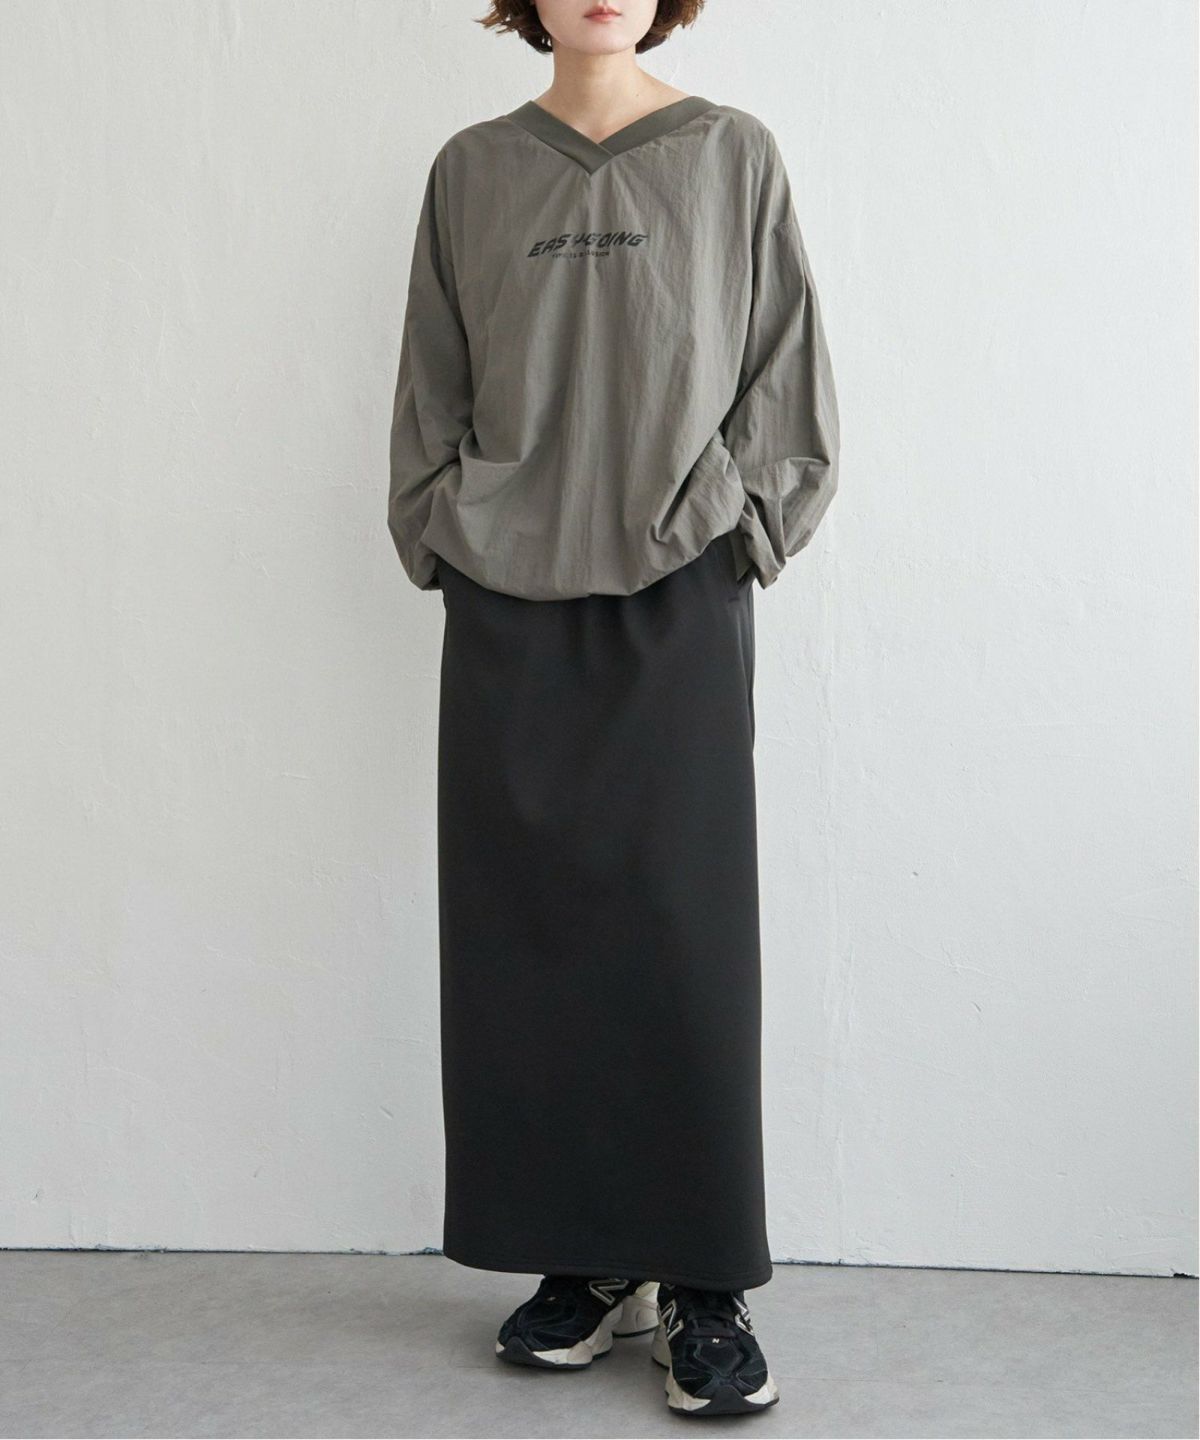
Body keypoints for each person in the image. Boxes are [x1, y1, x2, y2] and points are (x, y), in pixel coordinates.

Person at [387, 0, 839, 1418]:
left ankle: (703, 1281)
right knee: (523, 934)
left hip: (678, 581)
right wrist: (440, 527)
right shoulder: (472, 168)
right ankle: (586, 1261)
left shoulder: (730, 152)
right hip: (505, 587)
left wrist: (743, 529)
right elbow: (432, 377)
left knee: (684, 930)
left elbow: (784, 367)